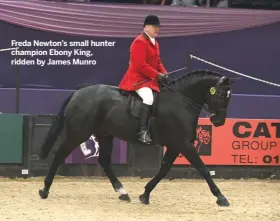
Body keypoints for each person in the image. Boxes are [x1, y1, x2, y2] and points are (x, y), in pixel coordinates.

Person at [119, 14, 168, 144]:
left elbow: (158, 62)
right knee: (149, 98)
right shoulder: (139, 42)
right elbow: (140, 65)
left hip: (149, 79)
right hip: (137, 79)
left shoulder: (155, 44)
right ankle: (142, 131)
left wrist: (164, 72)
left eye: (158, 27)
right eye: (154, 27)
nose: (157, 29)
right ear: (146, 27)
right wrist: (157, 75)